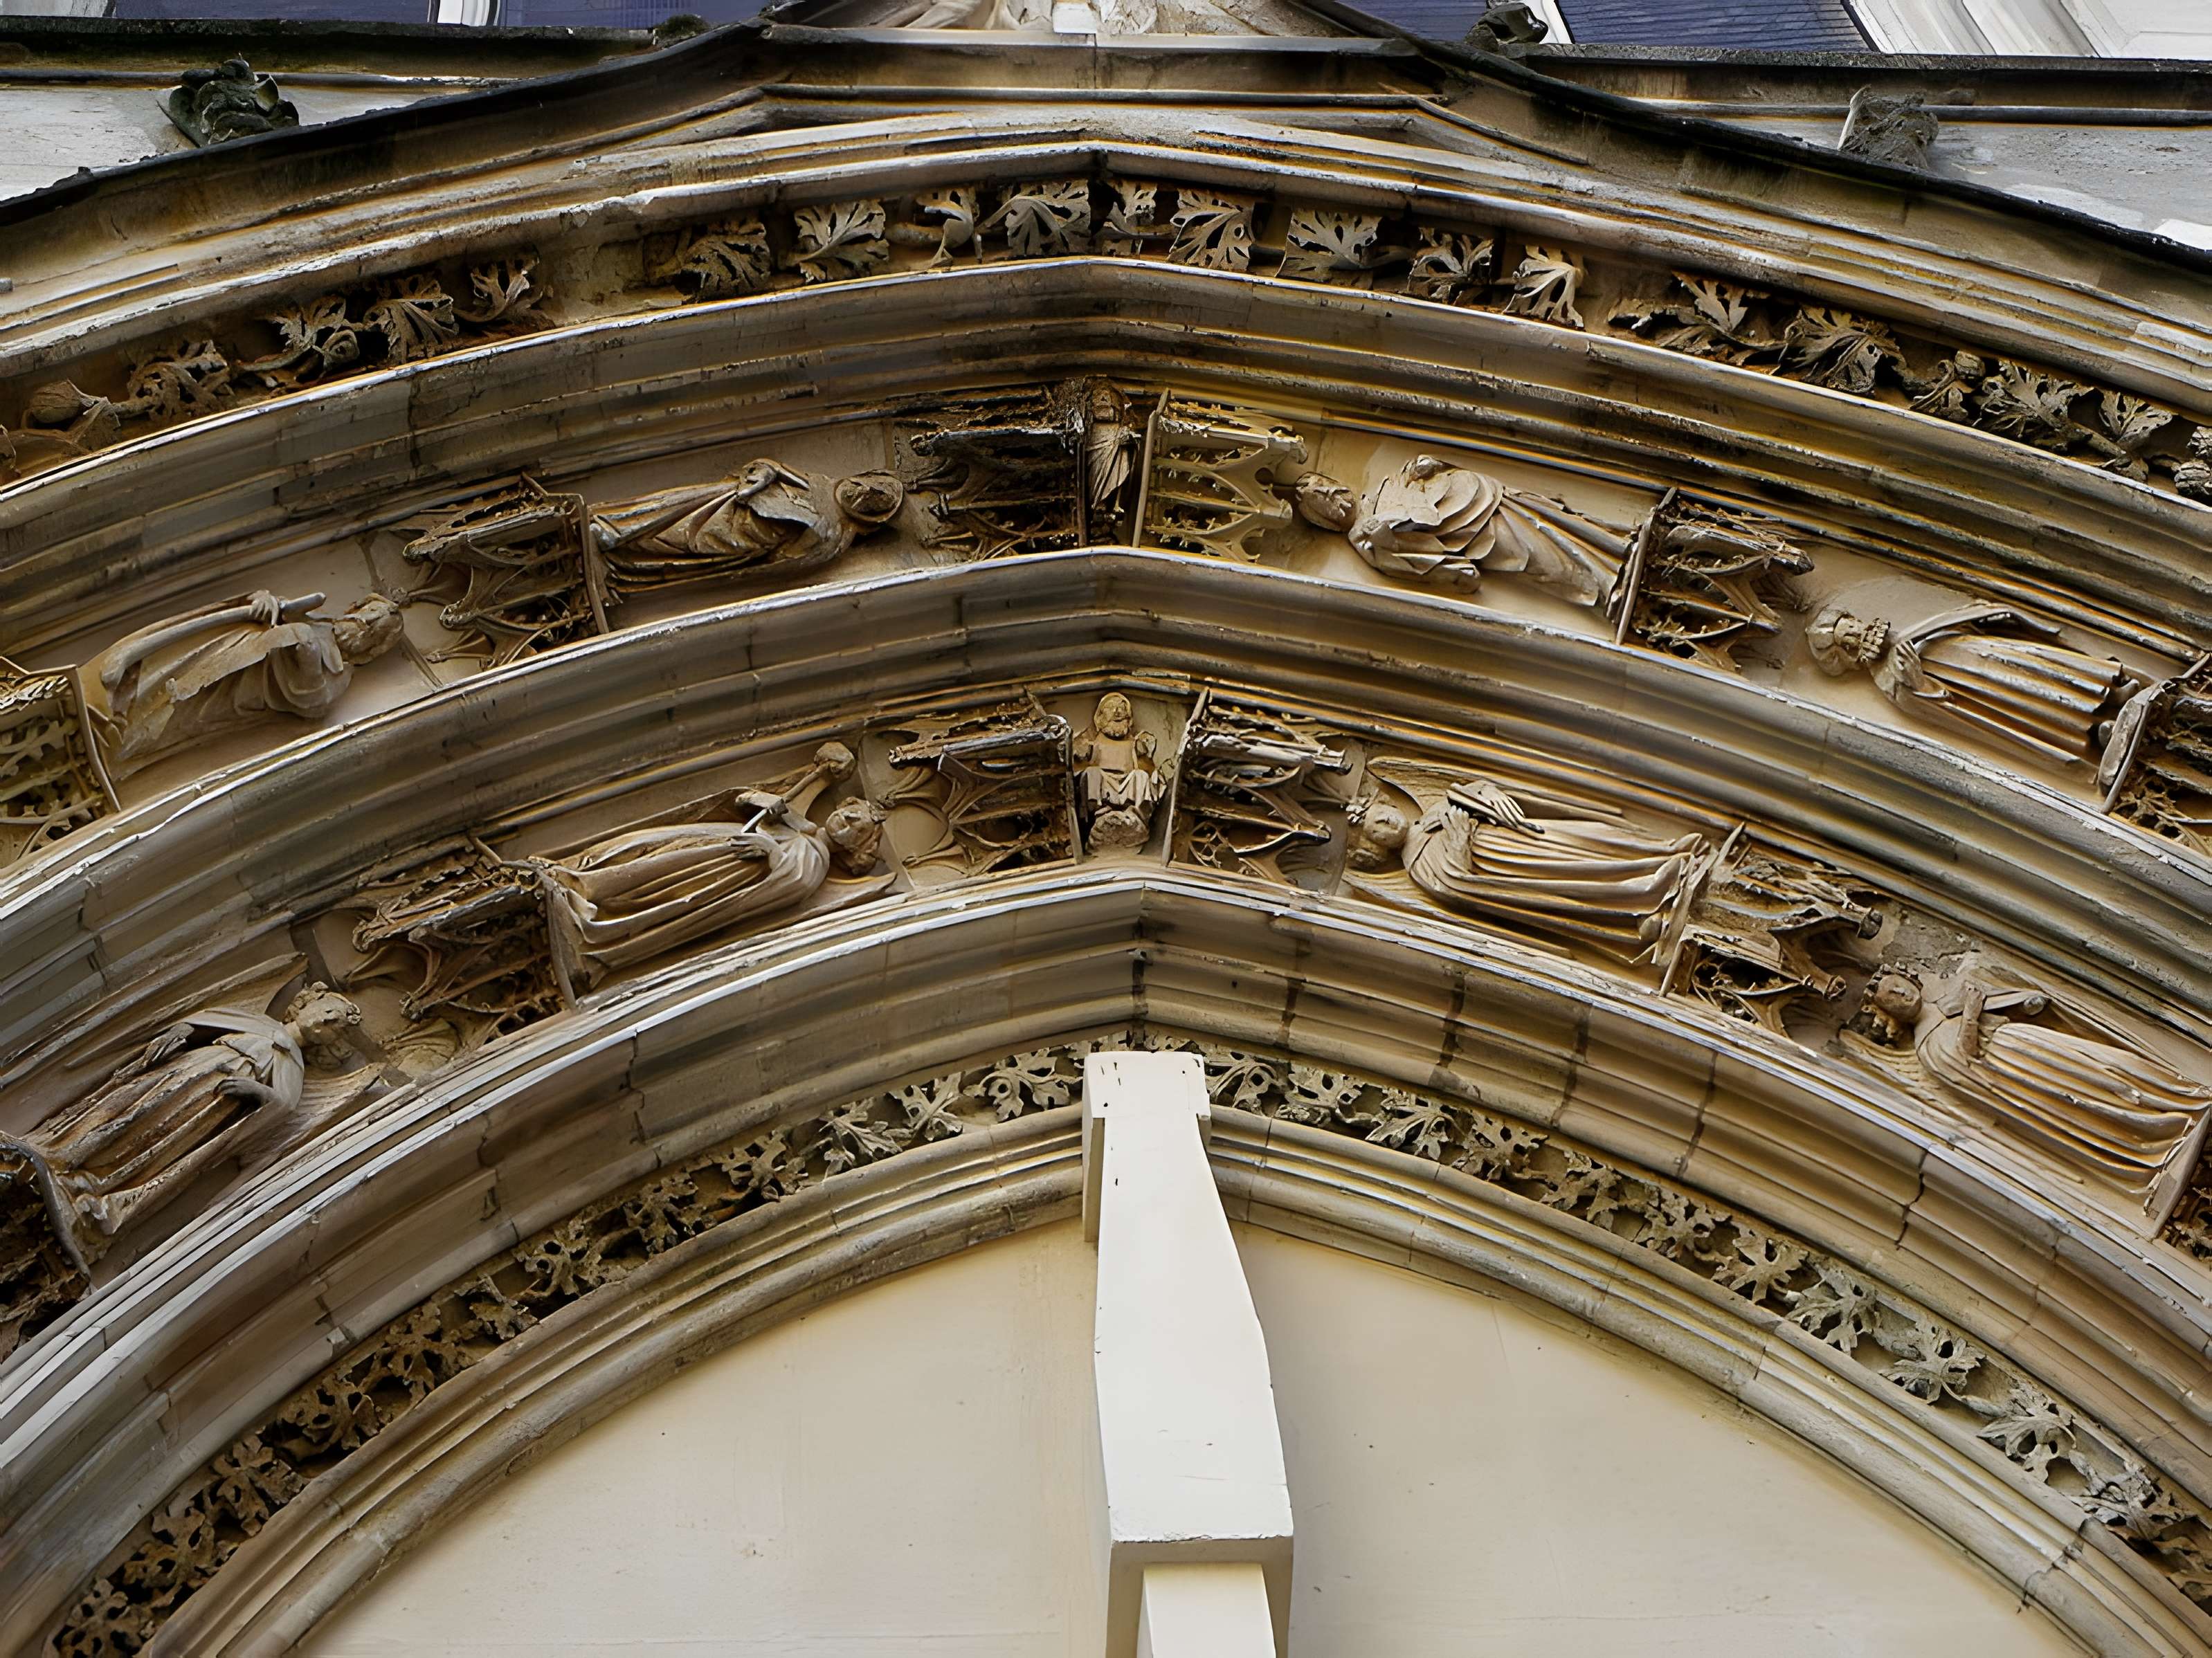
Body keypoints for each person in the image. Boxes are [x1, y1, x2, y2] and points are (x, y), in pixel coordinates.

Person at [7, 984, 361, 1258]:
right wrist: (177, 1033)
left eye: (336, 1026)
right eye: (327, 1010)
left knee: (152, 1139)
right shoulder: (257, 1023)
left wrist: (256, 1090)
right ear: (308, 1002)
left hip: (211, 1105)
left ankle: (92, 1184)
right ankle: (61, 1152)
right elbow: (201, 1023)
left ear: (331, 1042)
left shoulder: (293, 1066)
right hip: (189, 1070)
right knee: (127, 1110)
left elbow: (282, 1106)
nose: (326, 1022)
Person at [1867, 966, 2207, 1193]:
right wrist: (1971, 1015)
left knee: (2112, 1063)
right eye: (1892, 999)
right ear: (1890, 1014)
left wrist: (2022, 1001)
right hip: (2020, 1073)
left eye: (1900, 987)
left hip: (2025, 1041)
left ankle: (2181, 1097)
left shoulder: (1953, 994)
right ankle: (2158, 1135)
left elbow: (2009, 998)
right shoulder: (1927, 1046)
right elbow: (1966, 1062)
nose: (1901, 996)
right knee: (2096, 1094)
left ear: (1912, 980)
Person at [536, 778, 888, 994]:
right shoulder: (801, 826)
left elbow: (791, 885)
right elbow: (743, 804)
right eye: (848, 813)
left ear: (856, 848)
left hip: (722, 877)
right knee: (645, 851)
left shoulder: (817, 860)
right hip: (713, 847)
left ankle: (589, 916)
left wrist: (772, 854)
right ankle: (578, 880)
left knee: (653, 885)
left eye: (855, 828)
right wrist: (764, 804)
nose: (845, 821)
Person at [1346, 779, 1703, 957]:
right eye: (1376, 830)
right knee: (1577, 880)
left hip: (1529, 837)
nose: (1387, 822)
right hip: (1514, 869)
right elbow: (1457, 886)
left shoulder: (1438, 805)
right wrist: (1459, 841)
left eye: (1381, 814)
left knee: (1592, 840)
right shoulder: (1418, 864)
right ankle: (1648, 900)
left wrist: (1487, 795)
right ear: (1375, 848)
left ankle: (1665, 854)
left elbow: (1486, 794)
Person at [88, 589, 403, 774]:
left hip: (234, 695)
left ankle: (104, 752)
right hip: (224, 648)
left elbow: (314, 702)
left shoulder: (339, 674)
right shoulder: (311, 617)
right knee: (162, 674)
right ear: (352, 609)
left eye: (370, 632)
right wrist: (263, 599)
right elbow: (261, 607)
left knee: (170, 719)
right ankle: (102, 710)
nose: (360, 628)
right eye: (365, 617)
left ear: (370, 651)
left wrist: (306, 654)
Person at [1808, 601, 2141, 766]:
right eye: (1849, 641)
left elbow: (1954, 622)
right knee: (2027, 701)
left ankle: (2111, 690)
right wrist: (1918, 683)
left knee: (2041, 669)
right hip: (1978, 687)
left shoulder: (1908, 631)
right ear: (1852, 658)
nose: (1858, 634)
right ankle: (2098, 728)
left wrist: (1983, 614)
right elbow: (1932, 710)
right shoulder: (1888, 679)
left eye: (1851, 626)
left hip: (1984, 653)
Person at [1291, 457, 1630, 604]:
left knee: (1555, 517)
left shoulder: (1381, 488)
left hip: (1491, 500)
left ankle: (1617, 546)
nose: (1333, 495)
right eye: (1322, 500)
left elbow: (1422, 489)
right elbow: (1425, 565)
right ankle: (1608, 587)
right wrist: (1389, 540)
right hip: (1478, 538)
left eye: (1327, 486)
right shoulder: (1367, 542)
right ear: (1325, 520)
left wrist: (1428, 467)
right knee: (1545, 560)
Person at [590, 460, 903, 594]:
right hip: (729, 504)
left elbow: (786, 563)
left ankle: (618, 563)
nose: (864, 493)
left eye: (873, 502)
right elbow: (769, 466)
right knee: (668, 508)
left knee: (676, 548)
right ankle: (612, 528)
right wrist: (761, 476)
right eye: (868, 485)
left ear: (870, 519)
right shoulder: (816, 482)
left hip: (743, 542)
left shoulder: (837, 540)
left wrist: (812, 536)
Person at [1073, 693, 1159, 849]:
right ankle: (1099, 814)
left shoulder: (1133, 741)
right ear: (1101, 717)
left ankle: (1135, 816)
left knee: (1140, 776)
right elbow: (1077, 764)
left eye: (1122, 710)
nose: (1118, 712)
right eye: (1112, 709)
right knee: (1092, 773)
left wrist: (1146, 745)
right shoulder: (1092, 740)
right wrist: (1079, 749)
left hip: (1126, 781)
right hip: (1104, 782)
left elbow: (1149, 765)